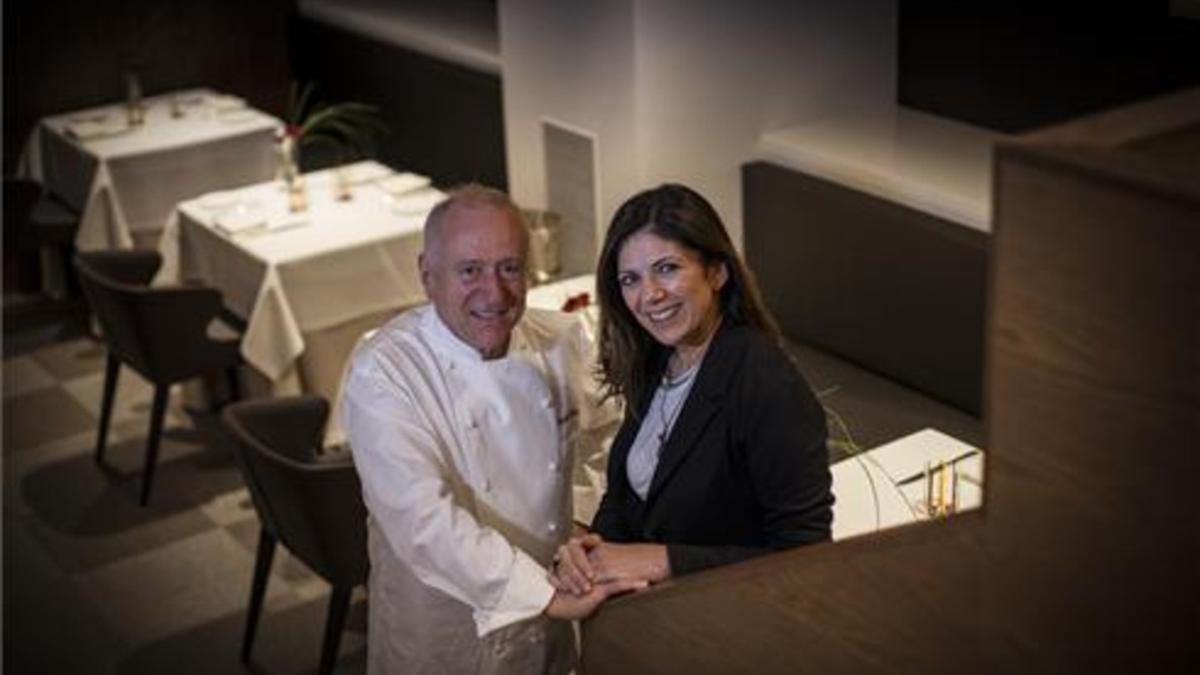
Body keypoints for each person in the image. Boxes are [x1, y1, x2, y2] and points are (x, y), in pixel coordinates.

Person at [340, 184, 630, 675]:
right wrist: (544, 595)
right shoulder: (384, 371)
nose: (494, 293)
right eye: (469, 271)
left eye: (509, 267)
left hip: (553, 618)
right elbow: (423, 521)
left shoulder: (561, 339)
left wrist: (579, 520)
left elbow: (607, 435)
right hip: (446, 632)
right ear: (428, 277)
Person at [551, 183, 833, 600]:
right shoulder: (656, 357)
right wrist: (592, 547)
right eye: (631, 279)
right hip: (650, 616)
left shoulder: (766, 384)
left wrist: (662, 560)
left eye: (667, 268)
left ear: (716, 272)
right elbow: (630, 494)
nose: (650, 295)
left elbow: (806, 555)